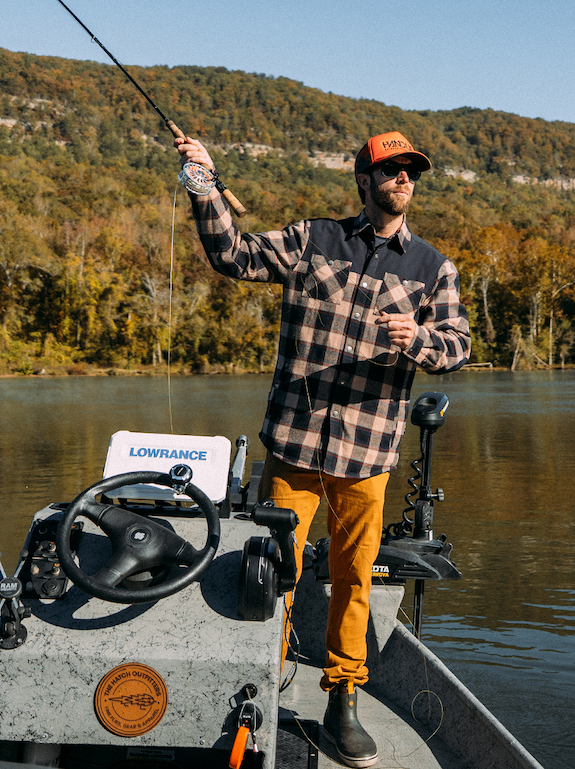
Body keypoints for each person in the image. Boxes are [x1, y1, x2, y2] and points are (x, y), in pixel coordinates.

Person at [176, 129, 470, 768]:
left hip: (367, 460)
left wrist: (417, 338)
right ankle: (256, 686)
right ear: (364, 179)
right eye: (391, 170)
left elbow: (457, 348)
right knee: (266, 574)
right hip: (294, 448)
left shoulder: (432, 266)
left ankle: (342, 700)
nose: (404, 180)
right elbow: (231, 255)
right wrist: (202, 179)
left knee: (352, 580)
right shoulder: (315, 239)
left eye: (411, 171)